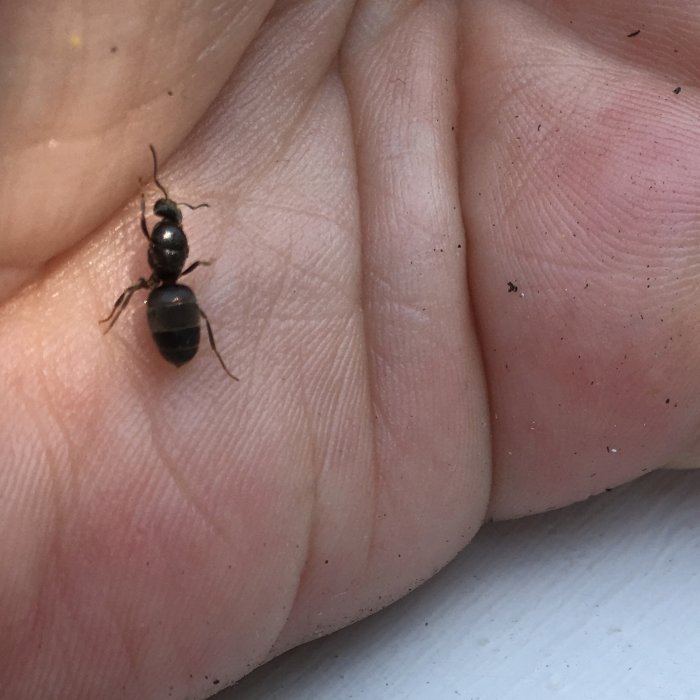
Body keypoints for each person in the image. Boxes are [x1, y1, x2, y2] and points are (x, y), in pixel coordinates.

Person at [1, 1, 696, 697]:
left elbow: (150, 265)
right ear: (173, 235)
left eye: (164, 216)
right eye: (167, 216)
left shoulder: (160, 262)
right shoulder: (176, 261)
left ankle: (195, 347)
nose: (165, 220)